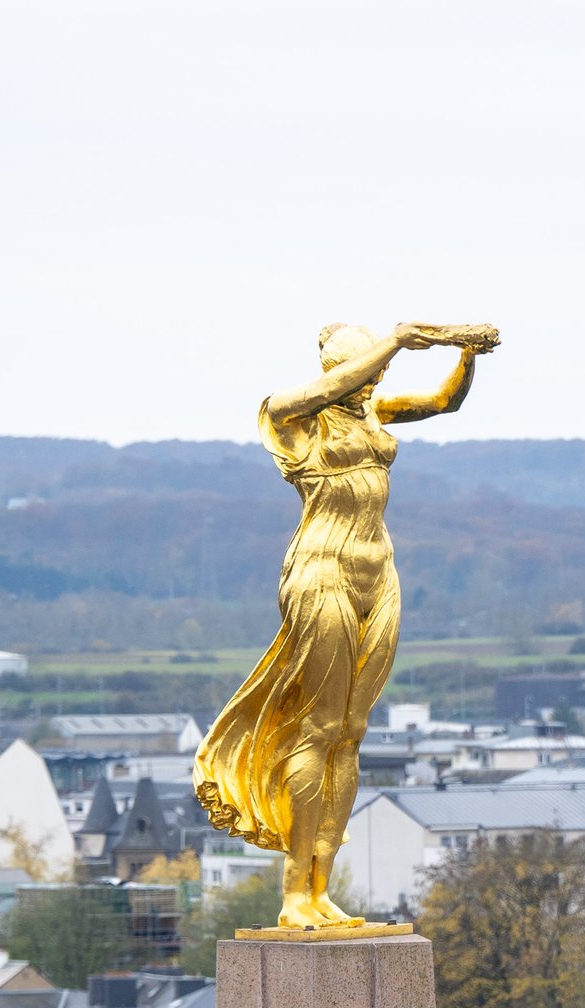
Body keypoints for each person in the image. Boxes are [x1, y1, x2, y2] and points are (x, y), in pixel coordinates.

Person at [196, 320, 499, 929]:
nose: (376, 381)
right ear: (338, 369)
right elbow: (333, 386)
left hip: (378, 572)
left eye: (380, 372)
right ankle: (293, 894)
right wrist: (397, 340)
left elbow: (444, 401)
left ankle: (322, 886)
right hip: (321, 571)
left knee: (352, 731)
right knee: (320, 726)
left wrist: (467, 354)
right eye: (366, 371)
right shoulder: (291, 416)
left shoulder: (373, 411)